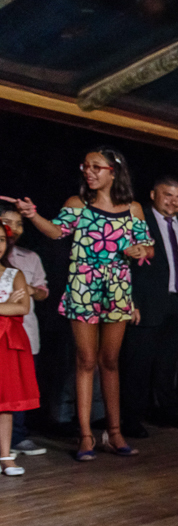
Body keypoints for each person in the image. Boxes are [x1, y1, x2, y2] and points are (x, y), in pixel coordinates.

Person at [11, 147, 152, 460]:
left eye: (95, 167)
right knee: (86, 360)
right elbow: (56, 232)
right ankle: (86, 435)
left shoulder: (134, 209)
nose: (88, 171)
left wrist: (142, 251)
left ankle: (114, 433)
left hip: (117, 290)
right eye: (85, 166)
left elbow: (148, 246)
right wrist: (32, 215)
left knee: (110, 361)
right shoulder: (77, 204)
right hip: (83, 288)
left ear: (113, 171)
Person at [120, 175, 178, 438]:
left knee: (168, 363)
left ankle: (168, 412)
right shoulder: (140, 221)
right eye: (168, 195)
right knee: (138, 363)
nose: (174, 202)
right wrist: (131, 302)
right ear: (153, 195)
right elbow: (125, 264)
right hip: (147, 302)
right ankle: (131, 419)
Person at [0, 208, 48, 457]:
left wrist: (30, 291)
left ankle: (14, 441)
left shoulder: (27, 261)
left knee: (14, 390)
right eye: (7, 222)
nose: (13, 229)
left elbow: (28, 302)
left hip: (18, 335)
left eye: (19, 223)